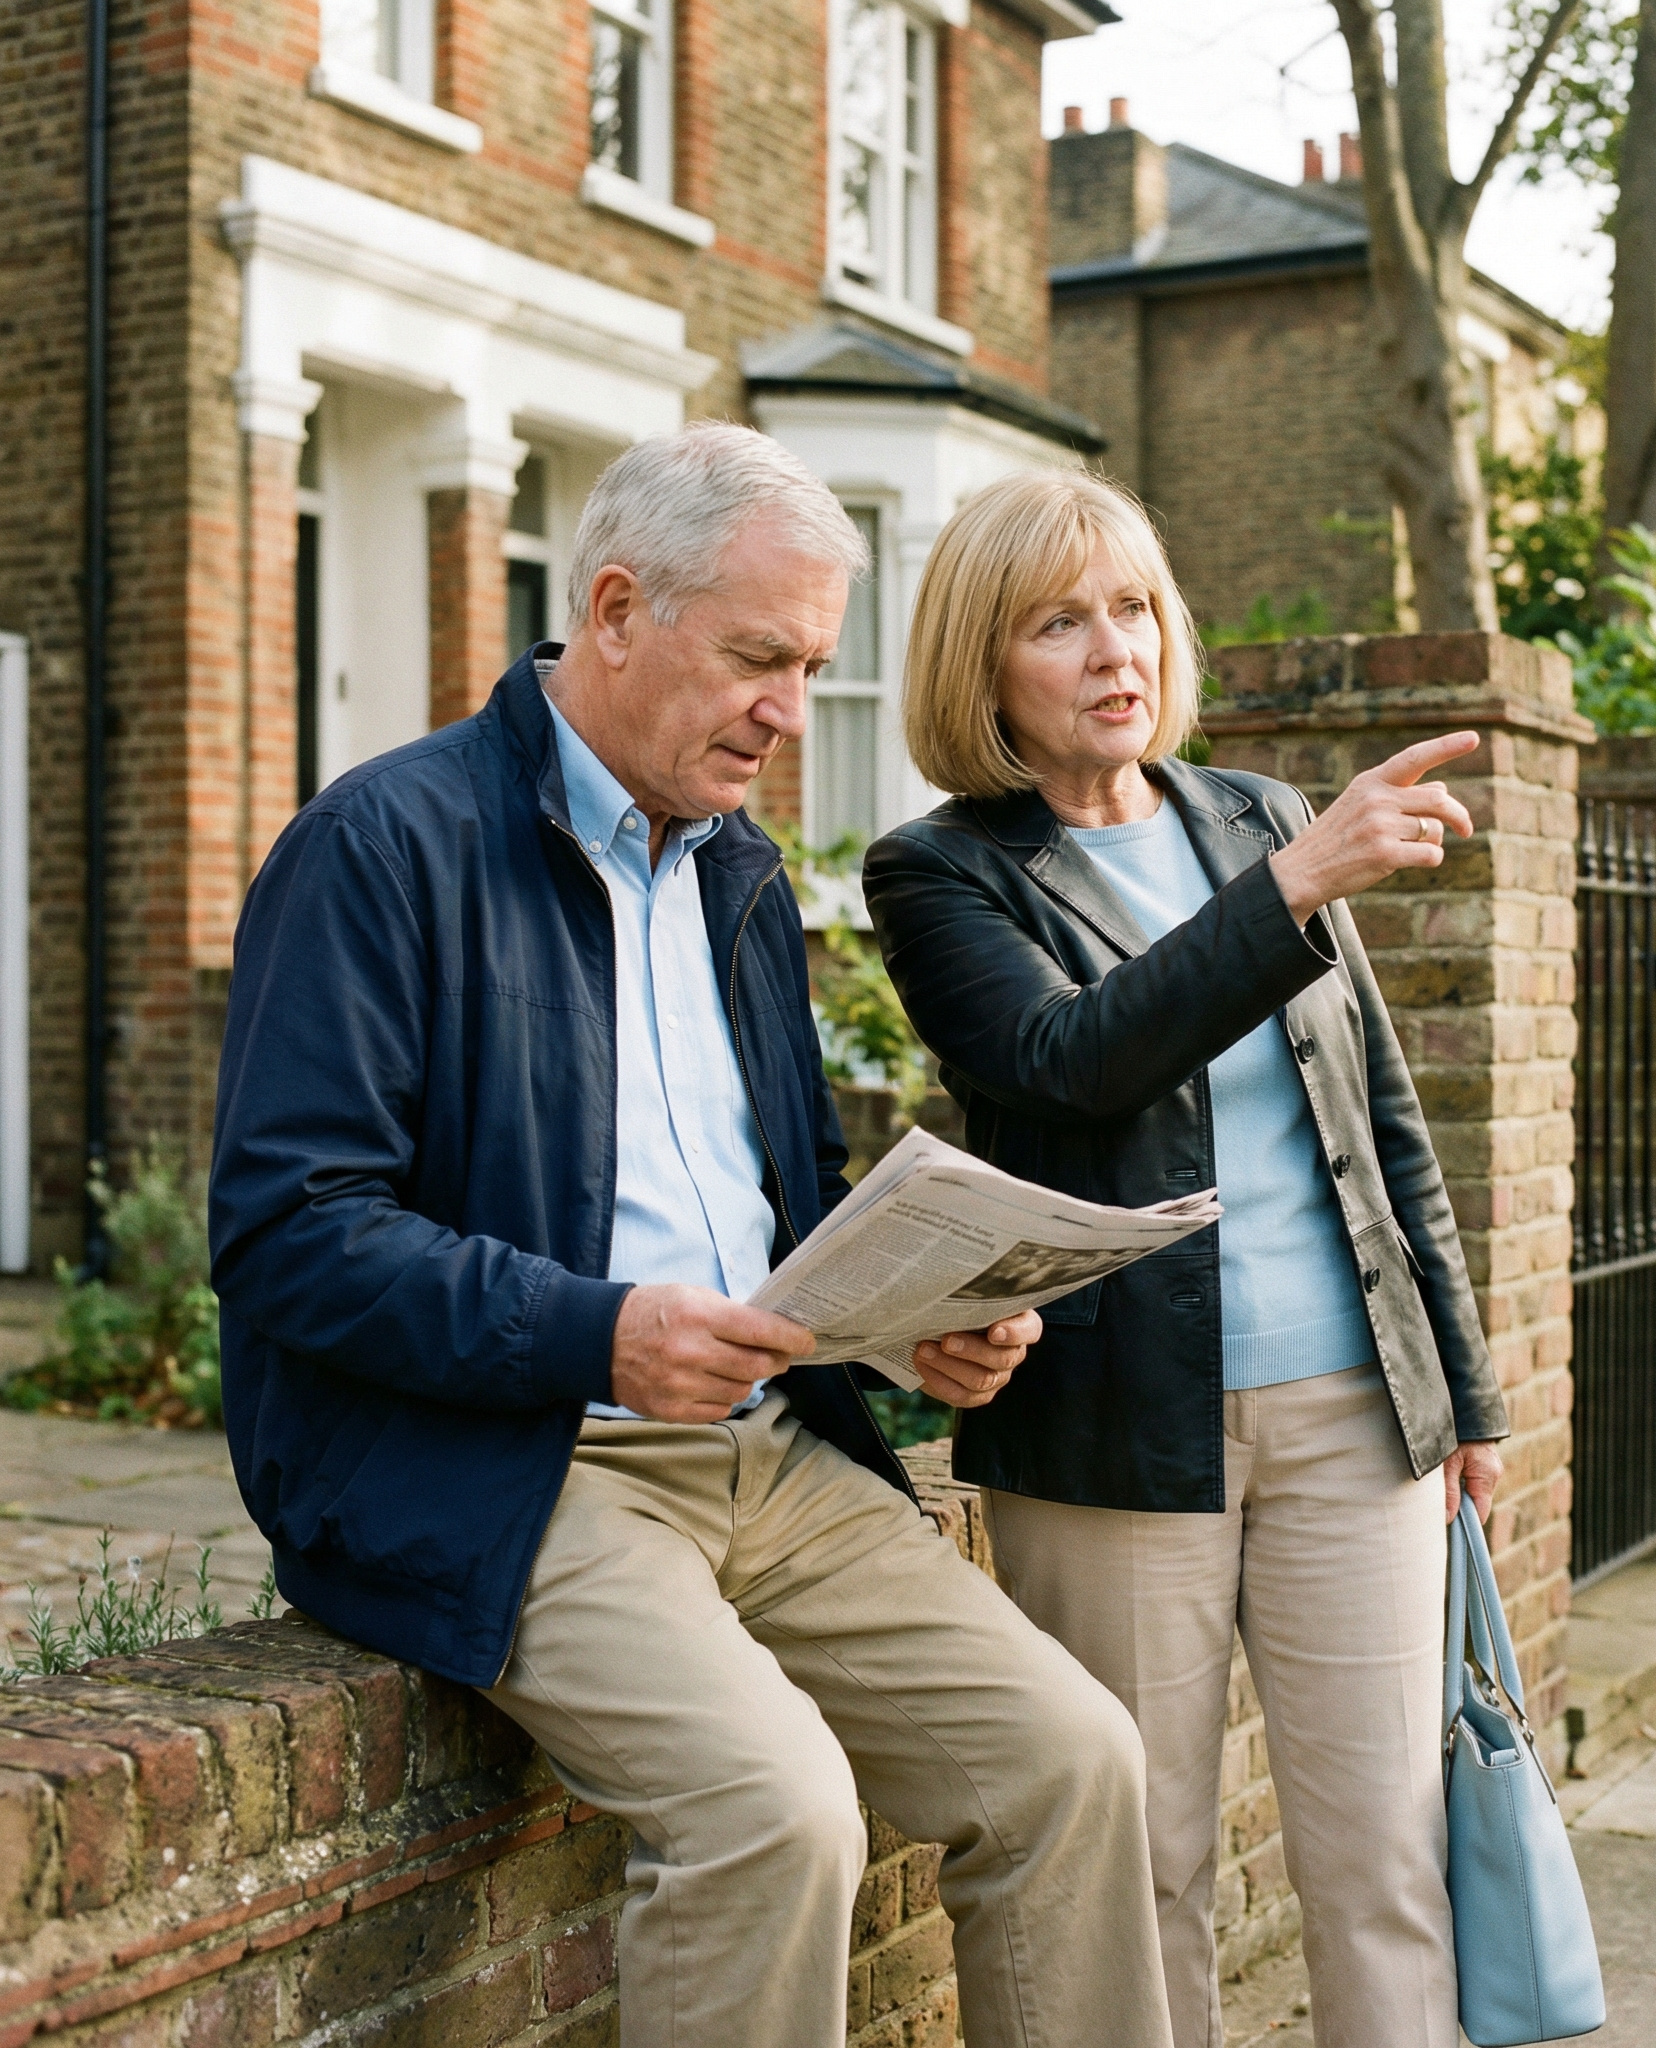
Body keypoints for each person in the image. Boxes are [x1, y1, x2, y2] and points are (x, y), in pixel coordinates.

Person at [208, 427, 1173, 2048]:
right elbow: (289, 1235)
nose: (790, 712)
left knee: (1078, 1764)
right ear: (612, 610)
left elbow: (783, 1197)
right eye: (757, 659)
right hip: (518, 1461)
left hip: (771, 1455)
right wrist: (600, 1332)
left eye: (811, 667)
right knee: (779, 1813)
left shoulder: (735, 872)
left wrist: (903, 1327)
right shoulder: (381, 849)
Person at [862, 470, 1511, 2048]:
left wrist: (1463, 1391)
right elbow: (1065, 1060)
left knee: (1385, 1860)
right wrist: (1291, 892)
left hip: (1354, 1415)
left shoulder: (1258, 817)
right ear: (981, 662)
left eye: (1136, 606)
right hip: (1108, 1433)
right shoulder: (943, 871)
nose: (1114, 649)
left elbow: (1382, 1120)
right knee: (1135, 1874)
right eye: (1059, 621)